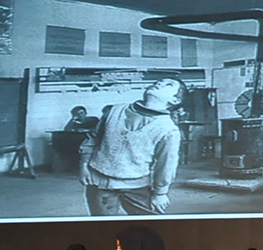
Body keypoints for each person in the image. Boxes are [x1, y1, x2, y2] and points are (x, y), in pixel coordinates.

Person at [80, 78, 186, 216]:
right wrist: (84, 165)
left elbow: (166, 163)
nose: (158, 83)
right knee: (103, 226)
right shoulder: (115, 110)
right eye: (158, 81)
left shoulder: (168, 129)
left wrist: (160, 193)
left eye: (168, 84)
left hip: (136, 185)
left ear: (175, 100)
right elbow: (93, 139)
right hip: (99, 182)